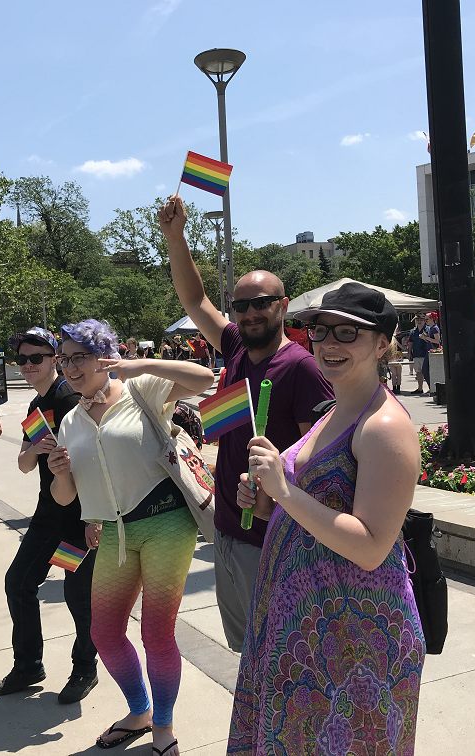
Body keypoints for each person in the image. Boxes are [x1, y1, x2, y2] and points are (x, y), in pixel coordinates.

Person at [229, 281, 425, 754]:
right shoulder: (334, 410)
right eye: (320, 331)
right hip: (303, 626)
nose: (329, 343)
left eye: (347, 333)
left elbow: (371, 545)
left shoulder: (383, 427)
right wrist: (265, 501)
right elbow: (311, 509)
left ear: (382, 344)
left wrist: (285, 491)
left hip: (353, 640)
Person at [157, 195, 333, 652]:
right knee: (245, 652)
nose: (251, 312)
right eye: (241, 305)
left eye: (262, 303)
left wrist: (279, 491)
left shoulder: (301, 368)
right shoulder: (236, 346)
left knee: (281, 655)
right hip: (227, 531)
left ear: (283, 305)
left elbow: (323, 462)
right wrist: (175, 238)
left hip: (272, 541)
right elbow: (195, 300)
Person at [47, 319, 214, 755]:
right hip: (114, 533)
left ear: (105, 357)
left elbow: (204, 378)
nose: (70, 367)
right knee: (104, 633)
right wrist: (59, 474)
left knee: (157, 633)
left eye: (80, 357)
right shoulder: (71, 421)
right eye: (64, 359)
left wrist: (138, 365)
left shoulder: (141, 391)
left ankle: (163, 725)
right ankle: (139, 711)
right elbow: (65, 497)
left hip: (166, 522)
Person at [0, 328, 98, 704]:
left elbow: (94, 461)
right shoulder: (37, 406)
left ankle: (84, 668)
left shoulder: (69, 398)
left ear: (54, 359)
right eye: (22, 359)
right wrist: (36, 448)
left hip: (79, 520)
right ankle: (28, 666)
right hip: (48, 517)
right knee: (18, 583)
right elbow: (23, 464)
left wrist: (95, 518)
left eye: (37, 357)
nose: (28, 365)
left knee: (77, 595)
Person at [420, 312, 441, 395]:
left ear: (432, 319)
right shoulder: (431, 328)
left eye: (427, 319)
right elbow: (430, 341)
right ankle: (431, 387)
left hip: (433, 351)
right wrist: (424, 338)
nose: (425, 321)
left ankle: (432, 387)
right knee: (426, 370)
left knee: (425, 370)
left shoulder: (435, 328)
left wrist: (426, 337)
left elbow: (437, 341)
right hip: (430, 351)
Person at [407, 314, 428, 394]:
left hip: (425, 354)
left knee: (426, 372)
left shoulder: (427, 329)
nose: (419, 321)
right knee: (418, 372)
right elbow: (411, 342)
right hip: (416, 354)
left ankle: (431, 388)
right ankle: (420, 388)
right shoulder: (413, 331)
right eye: (418, 320)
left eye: (421, 320)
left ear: (424, 321)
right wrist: (409, 352)